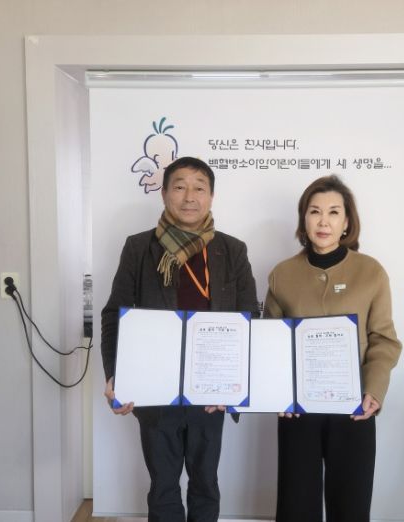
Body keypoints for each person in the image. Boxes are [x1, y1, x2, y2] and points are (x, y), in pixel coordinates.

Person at [101, 156, 259, 522]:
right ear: (164, 194)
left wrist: (236, 385)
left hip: (211, 392)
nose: (190, 197)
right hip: (156, 390)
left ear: (211, 196)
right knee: (163, 486)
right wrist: (115, 375)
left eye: (199, 188)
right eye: (180, 186)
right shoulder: (139, 248)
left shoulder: (232, 250)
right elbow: (114, 315)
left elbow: (249, 320)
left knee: (206, 483)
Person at [264, 175, 402, 522]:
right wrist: (277, 393)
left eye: (333, 212)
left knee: (351, 506)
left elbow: (384, 339)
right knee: (296, 506)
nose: (323, 221)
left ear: (347, 223)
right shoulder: (282, 274)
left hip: (354, 408)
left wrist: (374, 390)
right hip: (298, 411)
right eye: (314, 211)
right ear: (303, 220)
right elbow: (269, 343)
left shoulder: (371, 272)